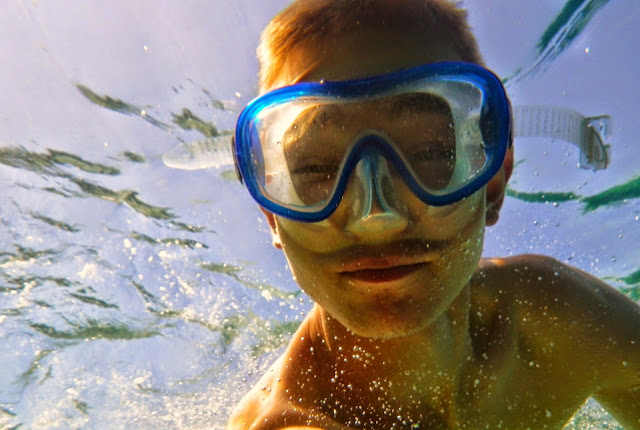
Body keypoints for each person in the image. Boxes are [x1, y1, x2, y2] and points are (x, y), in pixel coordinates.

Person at [226, 0, 640, 428]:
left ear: (493, 183)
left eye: (429, 153)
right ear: (272, 214)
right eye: (317, 169)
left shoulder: (558, 317)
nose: (377, 217)